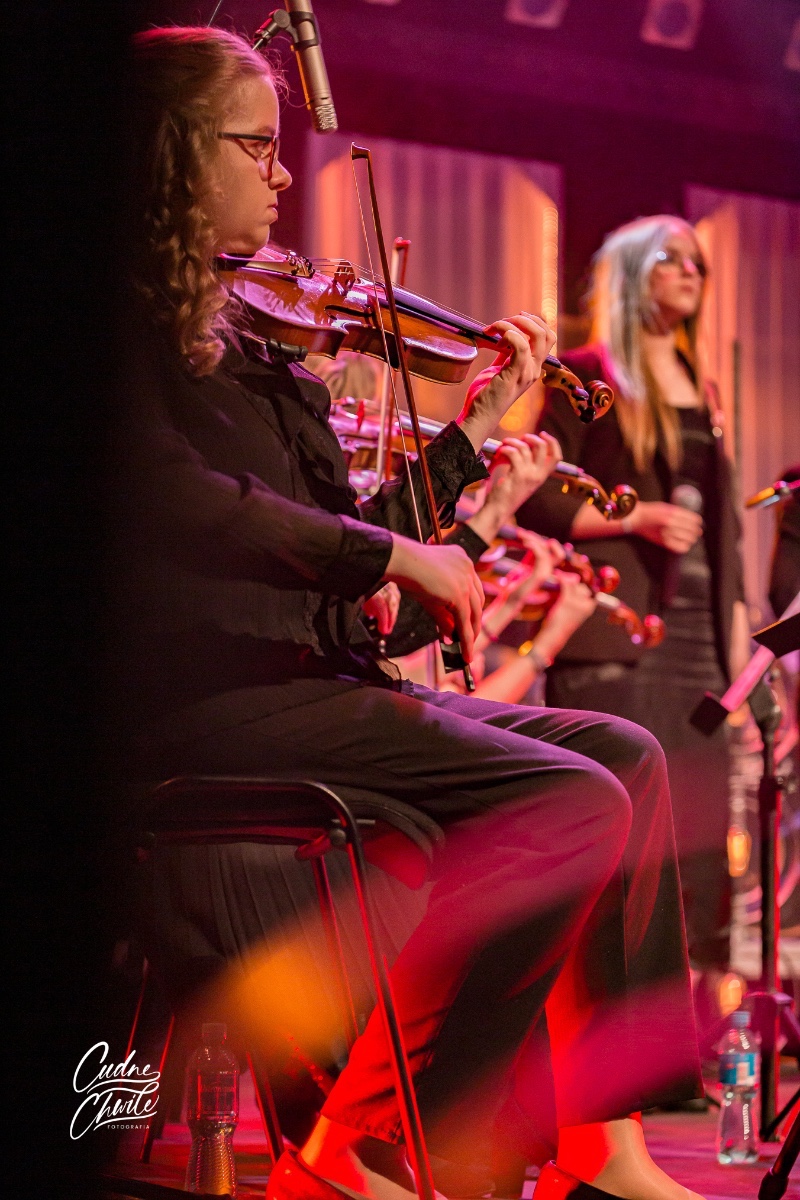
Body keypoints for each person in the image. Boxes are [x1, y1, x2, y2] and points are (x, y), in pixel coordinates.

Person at [117, 29, 705, 1200]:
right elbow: (181, 502)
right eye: (254, 147)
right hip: (207, 697)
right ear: (172, 153)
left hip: (311, 682)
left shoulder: (261, 354)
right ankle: (360, 1143)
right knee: (561, 796)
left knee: (627, 758)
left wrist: (470, 442)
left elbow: (365, 575)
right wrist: (392, 552)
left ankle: (603, 1145)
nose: (281, 179)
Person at [518, 216, 750, 1000]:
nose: (691, 272)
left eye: (698, 263)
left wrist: (741, 654)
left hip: (699, 641)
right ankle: (605, 1023)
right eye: (671, 259)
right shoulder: (586, 376)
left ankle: (688, 1025)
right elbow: (534, 492)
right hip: (619, 632)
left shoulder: (702, 388)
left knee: (698, 836)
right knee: (626, 836)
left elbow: (727, 534)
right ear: (631, 273)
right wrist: (636, 518)